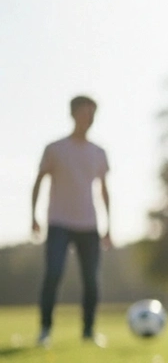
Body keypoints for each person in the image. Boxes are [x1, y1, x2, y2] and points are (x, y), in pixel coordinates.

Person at [30, 95, 112, 347]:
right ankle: (45, 330)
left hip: (89, 225)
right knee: (53, 274)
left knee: (91, 280)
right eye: (85, 113)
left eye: (92, 114)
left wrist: (109, 226)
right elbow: (39, 181)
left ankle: (88, 332)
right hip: (58, 223)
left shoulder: (98, 153)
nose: (89, 118)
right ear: (73, 114)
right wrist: (33, 216)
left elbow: (104, 190)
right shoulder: (55, 149)